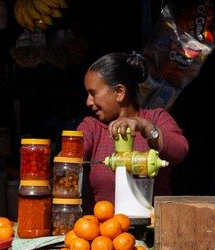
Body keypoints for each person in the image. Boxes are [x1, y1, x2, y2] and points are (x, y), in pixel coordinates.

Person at [78, 52, 189, 205]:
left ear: (119, 92)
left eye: (93, 93)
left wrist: (145, 127)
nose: (88, 102)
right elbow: (68, 160)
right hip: (105, 227)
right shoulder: (92, 127)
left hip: (153, 226)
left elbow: (180, 150)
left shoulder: (155, 118)